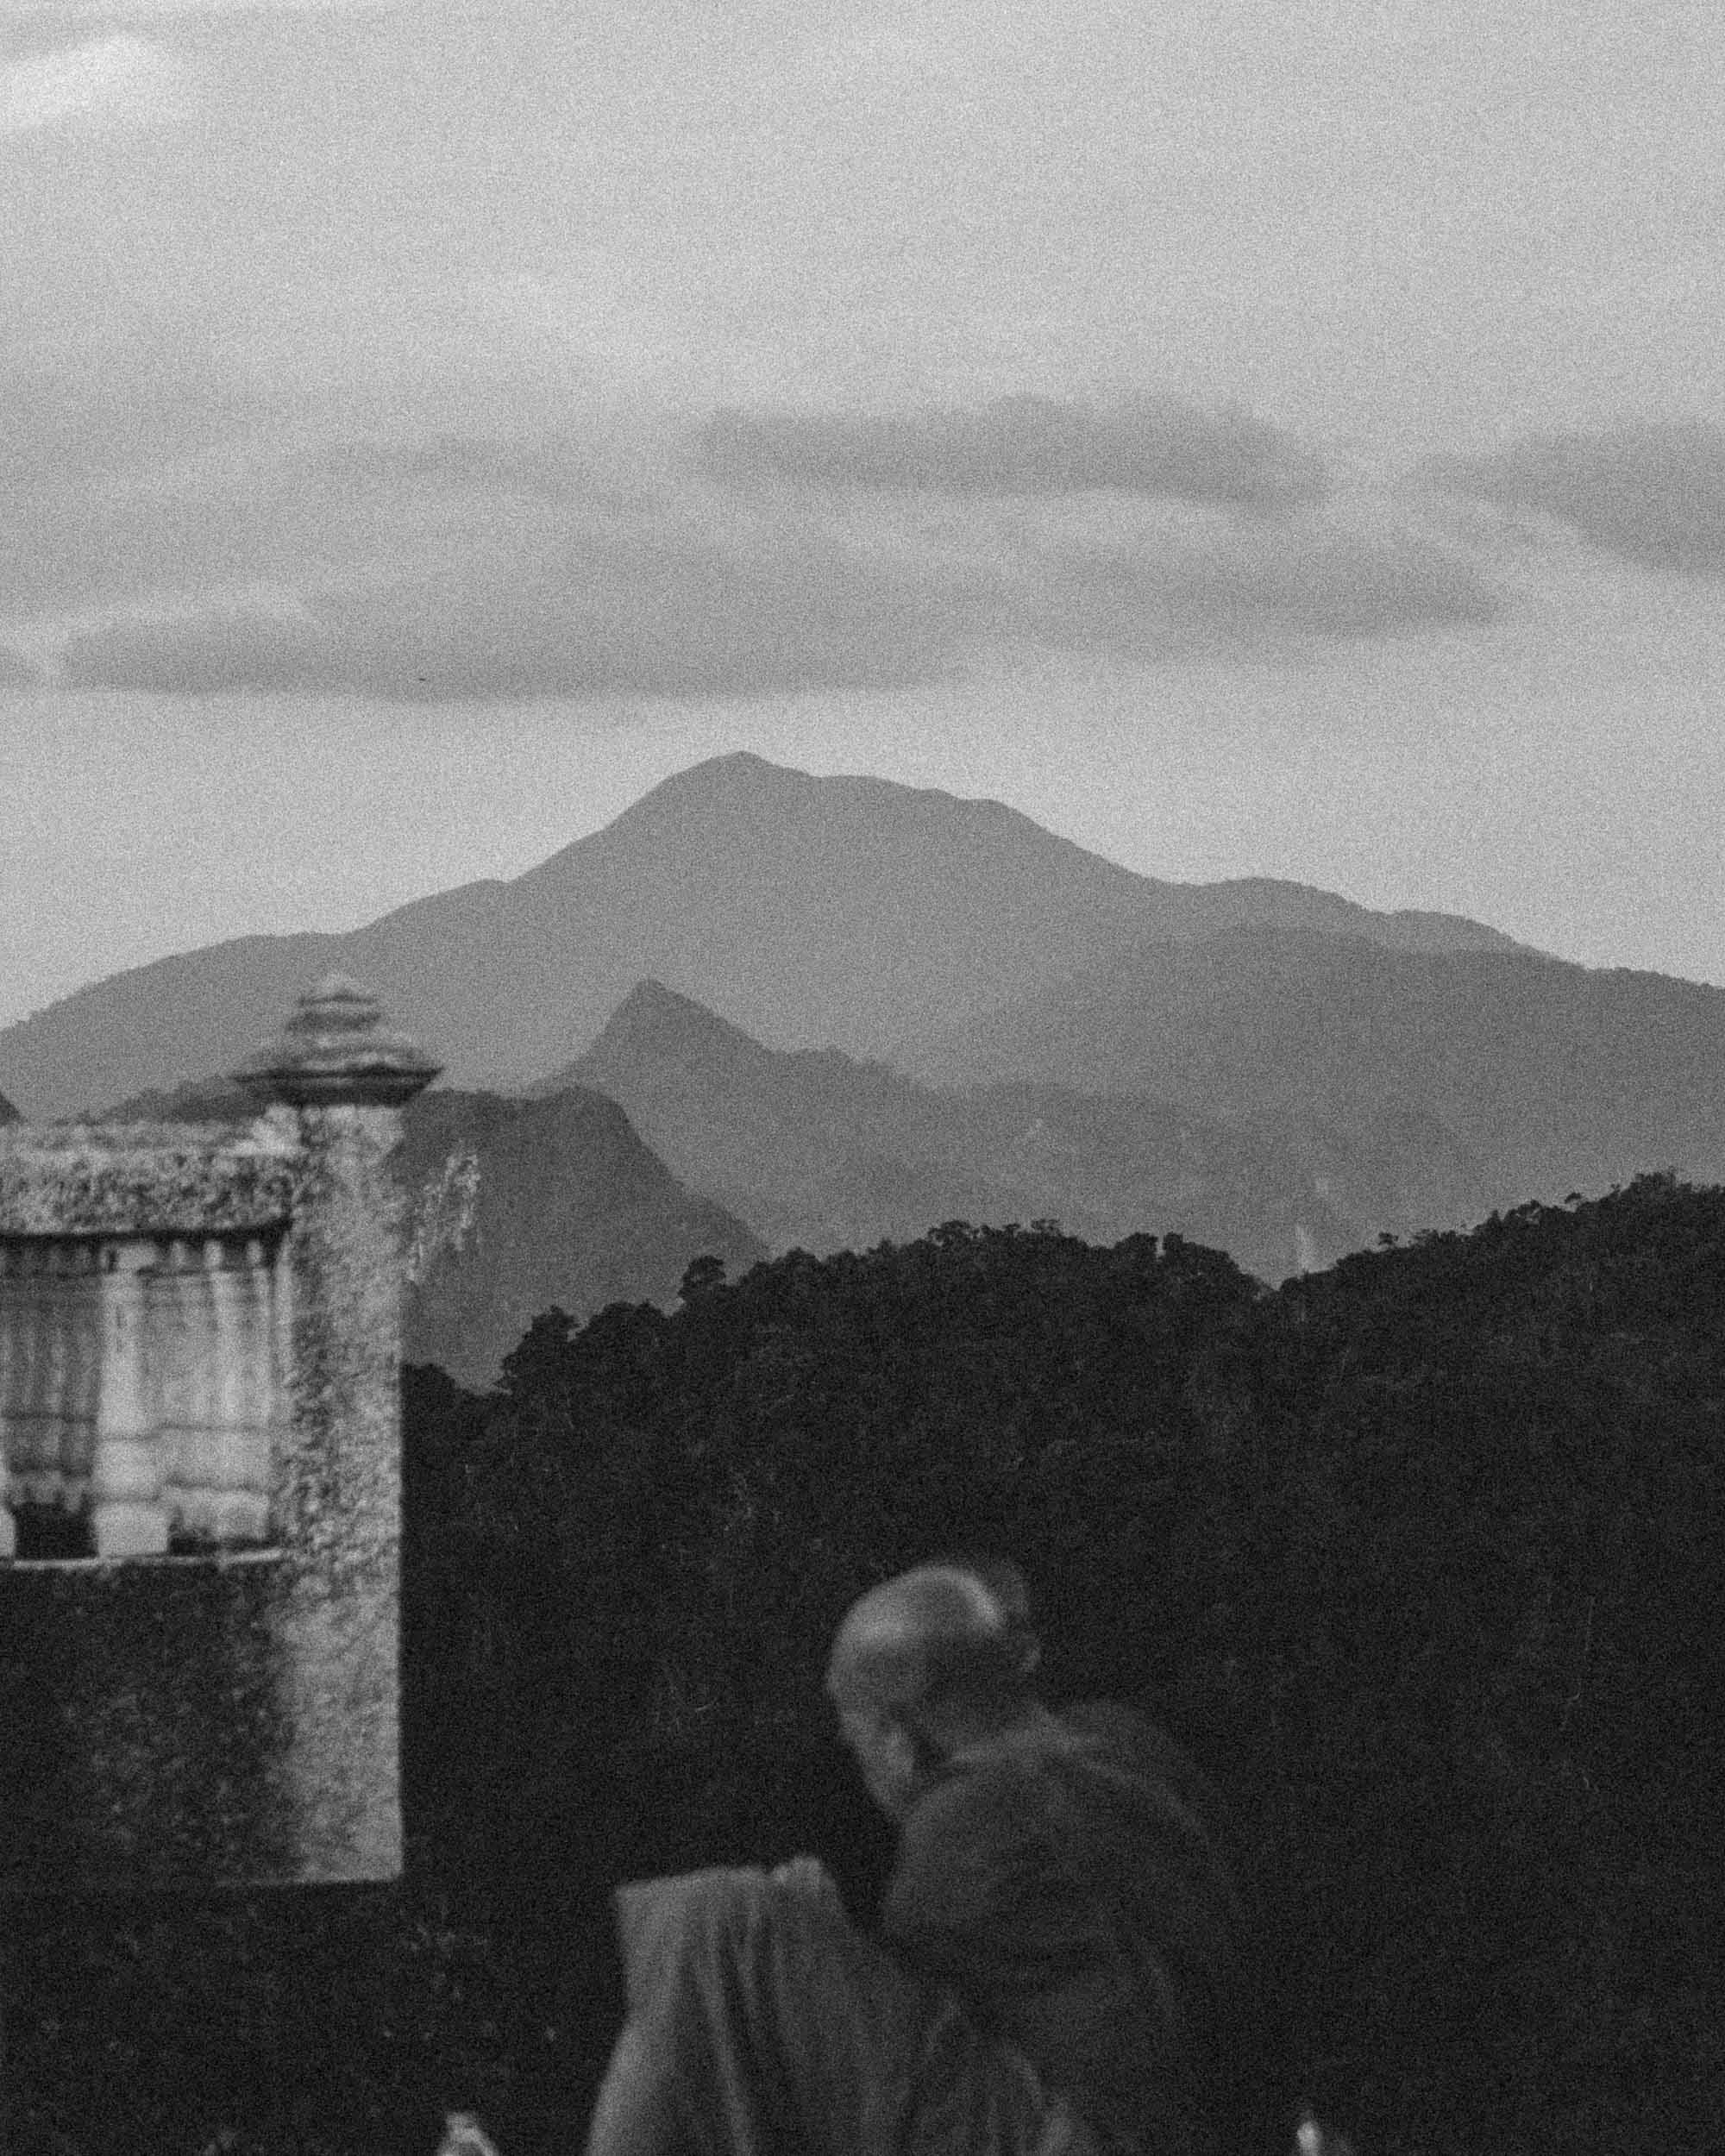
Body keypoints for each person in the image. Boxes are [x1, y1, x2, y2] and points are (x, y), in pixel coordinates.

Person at [584, 1558, 1294, 2156]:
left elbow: (903, 2025)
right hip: (1225, 2124)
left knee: (716, 1925)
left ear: (897, 1738)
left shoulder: (971, 1814)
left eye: (853, 1736)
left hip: (1097, 2140)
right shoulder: (1124, 1744)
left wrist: (810, 1923)